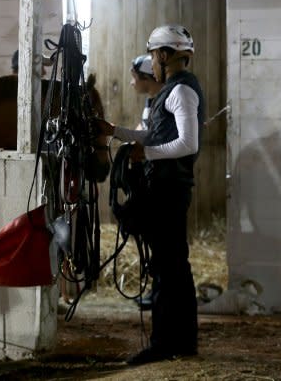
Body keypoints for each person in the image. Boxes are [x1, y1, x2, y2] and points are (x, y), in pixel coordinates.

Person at [98, 24, 205, 365]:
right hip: (166, 188)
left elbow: (189, 143)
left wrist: (148, 154)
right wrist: (118, 132)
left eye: (153, 54)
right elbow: (155, 135)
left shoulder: (181, 91)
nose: (152, 62)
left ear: (162, 55)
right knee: (174, 265)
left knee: (166, 266)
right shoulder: (171, 91)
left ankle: (163, 343)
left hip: (170, 190)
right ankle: (184, 340)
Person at [127, 52, 163, 311]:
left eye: (134, 77)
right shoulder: (151, 102)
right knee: (152, 235)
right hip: (149, 173)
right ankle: (156, 290)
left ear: (146, 77)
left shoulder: (160, 102)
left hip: (158, 176)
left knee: (159, 237)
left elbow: (151, 136)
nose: (132, 83)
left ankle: (160, 292)